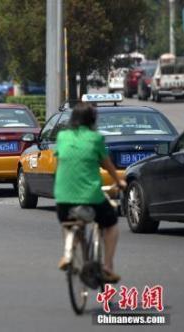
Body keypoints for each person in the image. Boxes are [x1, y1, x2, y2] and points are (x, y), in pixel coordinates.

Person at [54, 102, 126, 283]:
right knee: (110, 224)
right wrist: (120, 182)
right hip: (90, 197)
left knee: (69, 223)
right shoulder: (95, 139)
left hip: (62, 197)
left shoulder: (62, 136)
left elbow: (59, 164)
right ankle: (108, 267)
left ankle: (68, 254)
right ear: (92, 120)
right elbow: (108, 166)